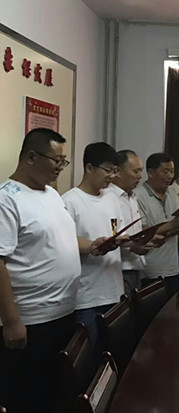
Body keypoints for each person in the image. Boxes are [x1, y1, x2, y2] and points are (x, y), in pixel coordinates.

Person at [0, 128, 81, 413]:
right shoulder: (7, 199)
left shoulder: (51, 194)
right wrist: (11, 321)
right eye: (56, 160)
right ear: (31, 157)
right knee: (28, 398)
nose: (60, 167)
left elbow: (60, 241)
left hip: (63, 313)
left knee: (55, 393)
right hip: (31, 321)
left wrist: (95, 245)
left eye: (63, 161)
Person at [62, 142, 125, 346]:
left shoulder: (112, 199)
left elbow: (117, 233)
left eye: (115, 171)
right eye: (108, 170)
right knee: (88, 356)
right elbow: (64, 243)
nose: (112, 176)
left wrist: (132, 242)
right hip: (86, 297)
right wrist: (93, 246)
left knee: (114, 353)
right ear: (89, 167)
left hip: (115, 291)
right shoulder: (69, 201)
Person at [136, 153, 179, 297]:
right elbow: (142, 231)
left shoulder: (171, 193)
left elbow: (176, 224)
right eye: (165, 172)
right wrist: (172, 225)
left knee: (171, 308)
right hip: (150, 268)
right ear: (151, 172)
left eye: (172, 171)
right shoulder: (138, 195)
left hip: (173, 266)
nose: (170, 176)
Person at [106, 150, 152, 295]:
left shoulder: (132, 196)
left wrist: (147, 238)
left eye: (141, 171)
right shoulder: (108, 197)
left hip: (136, 266)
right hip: (120, 269)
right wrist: (133, 246)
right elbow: (110, 234)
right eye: (135, 171)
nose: (140, 176)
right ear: (118, 172)